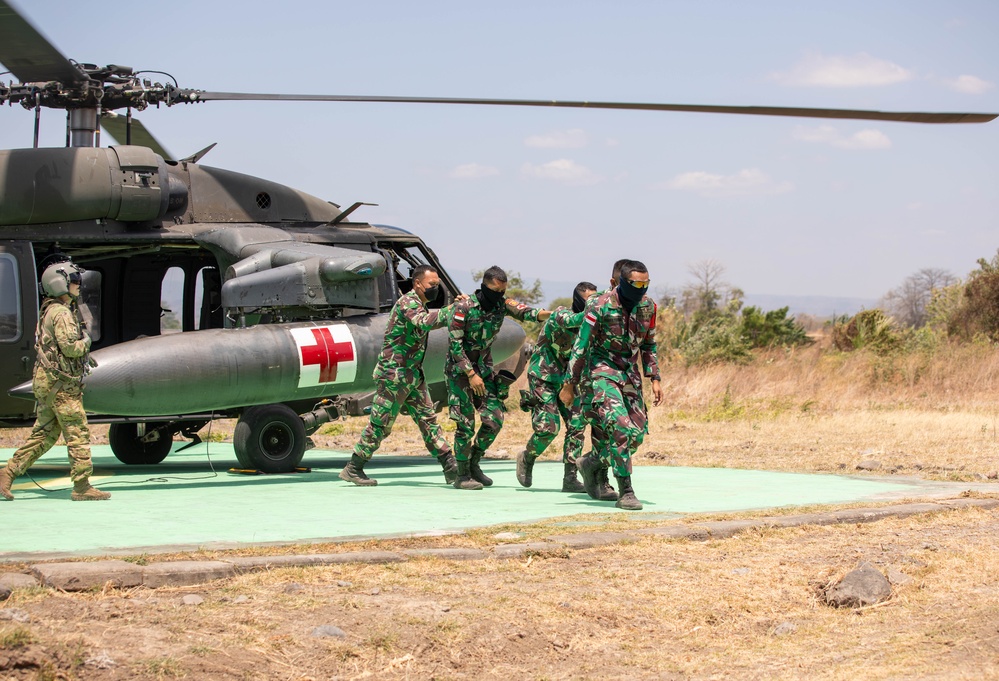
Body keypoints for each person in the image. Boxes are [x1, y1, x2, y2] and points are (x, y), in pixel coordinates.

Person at [339, 264, 464, 486]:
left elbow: (431, 317)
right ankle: (354, 468)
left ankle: (450, 467)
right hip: (394, 375)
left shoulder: (421, 305)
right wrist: (453, 310)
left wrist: (455, 307)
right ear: (417, 284)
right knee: (380, 423)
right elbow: (424, 322)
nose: (435, 288)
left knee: (428, 421)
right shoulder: (408, 303)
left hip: (412, 375)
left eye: (437, 285)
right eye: (431, 284)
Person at [0, 260, 110, 501]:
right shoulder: (61, 313)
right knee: (77, 432)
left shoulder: (49, 309)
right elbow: (70, 348)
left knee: (45, 435)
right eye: (75, 281)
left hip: (50, 384)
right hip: (62, 388)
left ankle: (7, 473)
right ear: (60, 284)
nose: (78, 285)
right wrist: (86, 343)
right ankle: (82, 486)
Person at [560, 260, 663, 510]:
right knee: (620, 428)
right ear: (623, 282)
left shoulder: (648, 306)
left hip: (630, 374)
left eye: (646, 283)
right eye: (636, 283)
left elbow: (648, 344)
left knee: (636, 435)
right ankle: (626, 490)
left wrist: (655, 377)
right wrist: (569, 384)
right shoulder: (599, 304)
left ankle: (593, 462)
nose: (641, 288)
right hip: (602, 372)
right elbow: (581, 344)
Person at [447, 266, 550, 490]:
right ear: (484, 286)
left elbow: (529, 313)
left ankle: (474, 462)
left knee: (494, 420)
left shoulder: (501, 305)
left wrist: (554, 314)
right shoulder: (464, 307)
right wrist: (471, 374)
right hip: (460, 373)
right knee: (464, 424)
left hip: (484, 371)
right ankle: (462, 474)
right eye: (495, 291)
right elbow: (455, 346)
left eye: (502, 291)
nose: (499, 296)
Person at [516, 281, 598, 492]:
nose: (594, 306)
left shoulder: (591, 325)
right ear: (579, 300)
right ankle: (528, 456)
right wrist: (598, 312)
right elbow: (578, 320)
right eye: (590, 301)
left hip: (568, 381)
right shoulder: (561, 315)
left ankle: (570, 478)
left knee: (577, 426)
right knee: (548, 429)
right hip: (543, 377)